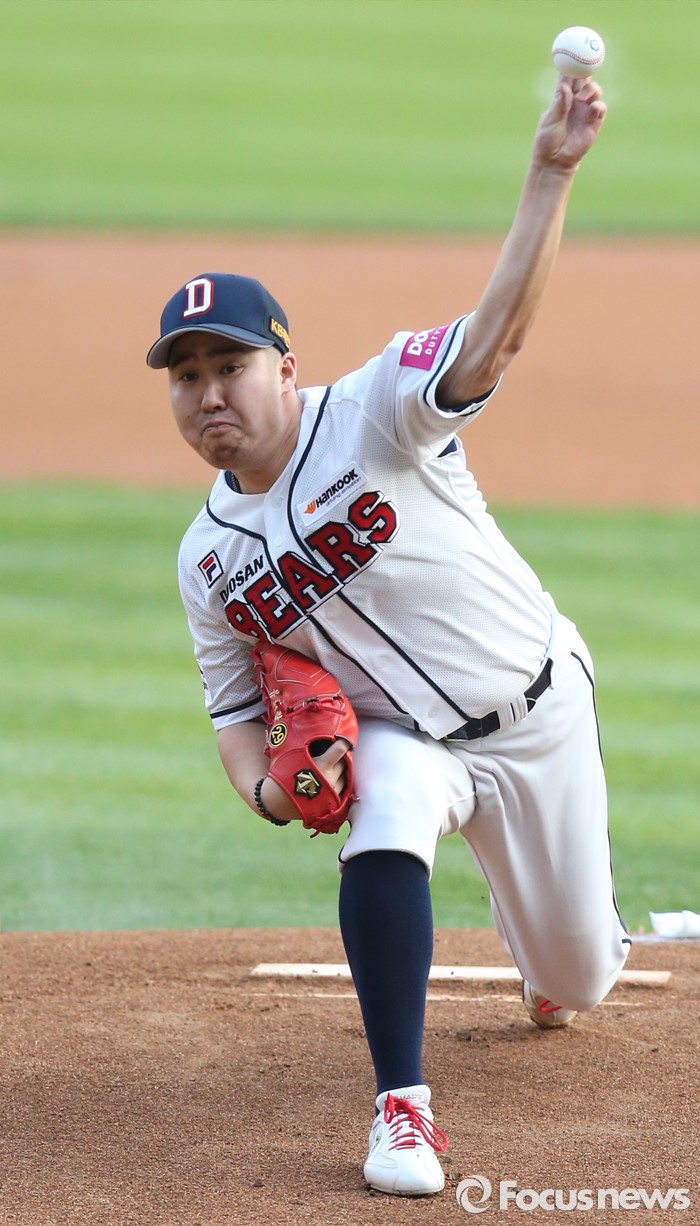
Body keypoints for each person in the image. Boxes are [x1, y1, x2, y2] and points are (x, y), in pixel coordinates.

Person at [147, 74, 629, 1198]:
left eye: (229, 366)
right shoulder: (206, 559)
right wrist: (273, 789)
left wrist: (549, 173)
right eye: (187, 377)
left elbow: (496, 338)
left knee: (577, 980)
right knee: (386, 810)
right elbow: (234, 715)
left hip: (535, 707)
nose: (209, 394)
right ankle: (402, 1108)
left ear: (285, 367)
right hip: (405, 741)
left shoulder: (377, 408)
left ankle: (549, 941)